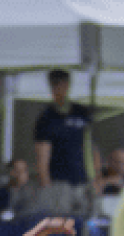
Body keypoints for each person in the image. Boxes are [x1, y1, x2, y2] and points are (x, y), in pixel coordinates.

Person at [33, 69, 93, 216]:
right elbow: (42, 155)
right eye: (56, 85)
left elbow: (90, 147)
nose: (60, 88)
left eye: (63, 84)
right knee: (62, 220)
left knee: (85, 218)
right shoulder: (46, 118)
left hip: (82, 179)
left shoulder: (81, 113)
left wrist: (95, 177)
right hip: (59, 182)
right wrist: (47, 185)